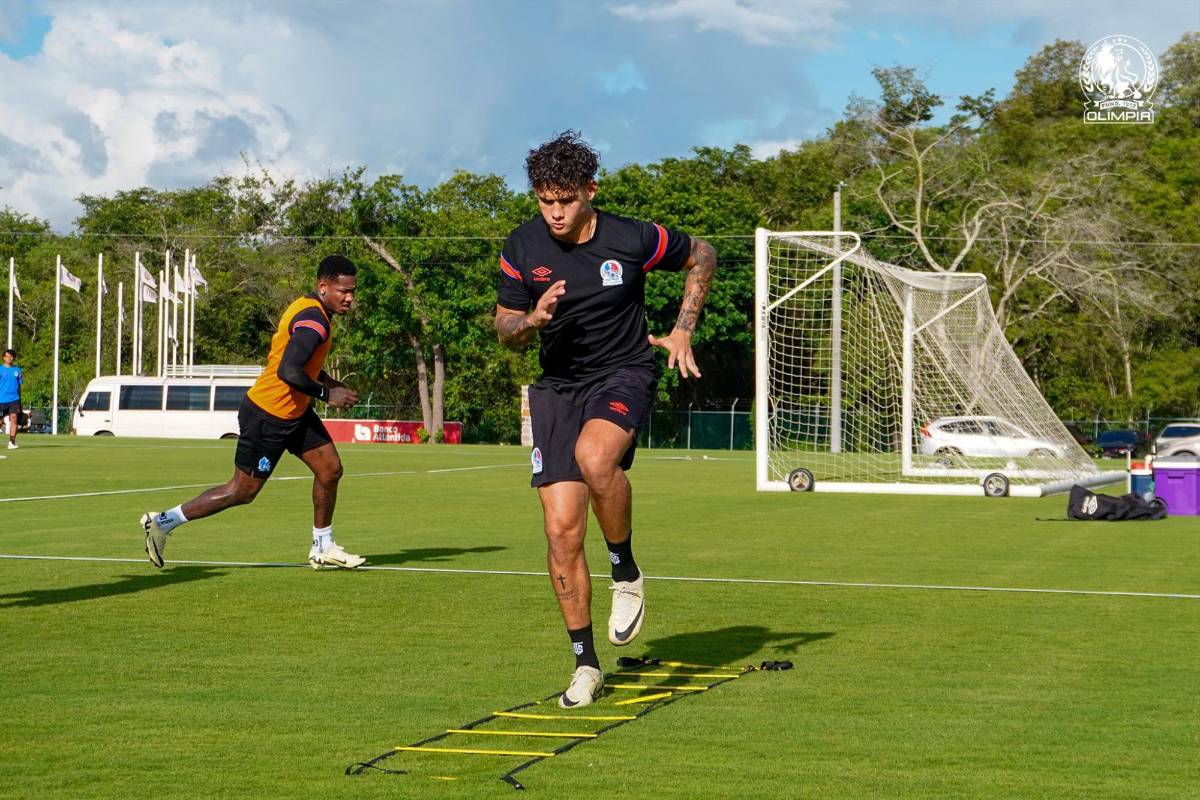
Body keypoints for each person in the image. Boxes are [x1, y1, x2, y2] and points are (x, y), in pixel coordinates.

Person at [494, 131, 717, 708]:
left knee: (597, 460)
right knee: (561, 530)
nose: (556, 212)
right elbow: (505, 331)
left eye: (566, 199)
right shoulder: (520, 248)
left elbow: (703, 253)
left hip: (623, 372)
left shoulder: (631, 236)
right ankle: (586, 664)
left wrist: (684, 327)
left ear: (591, 191)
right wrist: (533, 320)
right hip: (557, 390)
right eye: (545, 200)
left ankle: (625, 570)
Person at [141, 255, 366, 571]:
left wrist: (328, 380)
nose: (350, 298)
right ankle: (162, 522)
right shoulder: (314, 321)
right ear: (323, 286)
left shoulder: (311, 309)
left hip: (295, 413)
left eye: (353, 291)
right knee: (241, 491)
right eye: (344, 290)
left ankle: (323, 546)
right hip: (268, 416)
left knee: (330, 470)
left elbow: (303, 362)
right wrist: (328, 394)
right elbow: (290, 370)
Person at [0, 349, 22, 450]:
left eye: (12, 356)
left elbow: (19, 386)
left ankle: (11, 442)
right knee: (0, 422)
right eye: (8, 356)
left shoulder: (17, 370)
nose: (10, 358)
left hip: (14, 400)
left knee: (14, 419)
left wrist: (20, 401)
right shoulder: (0, 369)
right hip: (1, 400)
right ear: (4, 357)